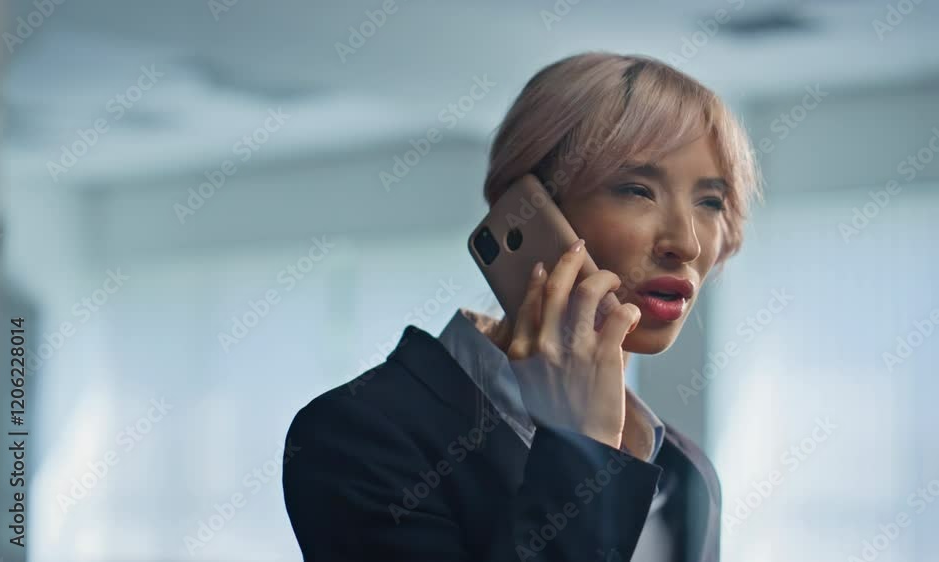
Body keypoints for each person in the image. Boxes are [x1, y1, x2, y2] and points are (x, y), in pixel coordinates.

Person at [282, 51, 761, 562]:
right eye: (637, 190)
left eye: (710, 202)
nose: (686, 243)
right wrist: (582, 447)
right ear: (525, 209)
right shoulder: (355, 434)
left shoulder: (690, 473)